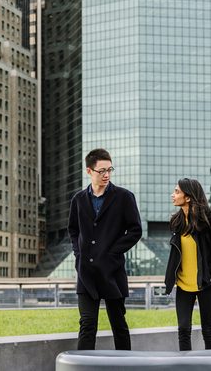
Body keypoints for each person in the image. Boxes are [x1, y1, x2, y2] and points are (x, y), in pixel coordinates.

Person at [68, 148, 142, 350]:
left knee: (118, 324)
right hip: (86, 272)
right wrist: (79, 254)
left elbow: (135, 230)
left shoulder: (124, 197)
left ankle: (125, 365)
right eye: (101, 170)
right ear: (89, 171)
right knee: (87, 325)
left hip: (112, 271)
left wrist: (113, 252)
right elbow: (73, 230)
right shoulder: (78, 200)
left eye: (109, 169)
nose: (106, 174)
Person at [164, 178, 211, 351]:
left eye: (177, 192)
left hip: (206, 284)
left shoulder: (208, 221)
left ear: (188, 197)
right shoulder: (176, 221)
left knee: (207, 329)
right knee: (183, 329)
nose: (173, 195)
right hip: (183, 285)